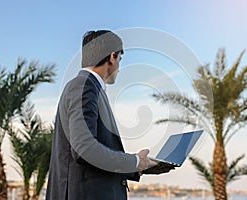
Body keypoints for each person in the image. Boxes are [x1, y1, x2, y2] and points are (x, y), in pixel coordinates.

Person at [46, 30, 174, 200]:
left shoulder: (89, 88)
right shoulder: (84, 86)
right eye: (120, 59)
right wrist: (135, 162)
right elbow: (84, 149)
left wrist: (141, 166)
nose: (119, 68)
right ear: (112, 57)